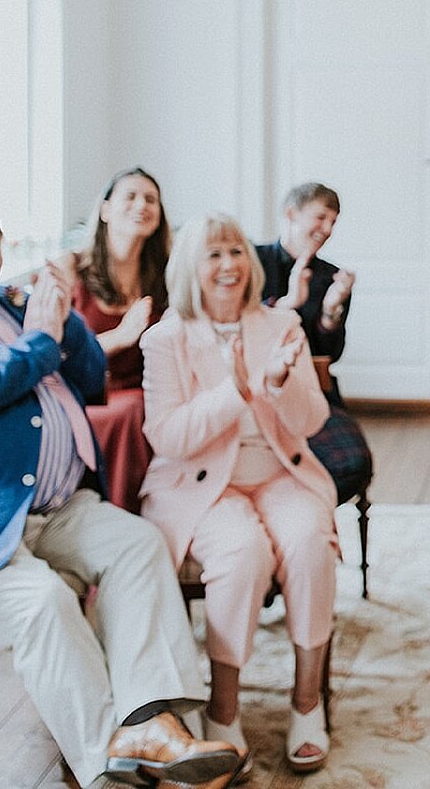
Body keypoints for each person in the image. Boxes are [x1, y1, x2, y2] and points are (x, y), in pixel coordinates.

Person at [0, 188, 242, 789]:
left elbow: (90, 379)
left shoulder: (16, 305)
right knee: (43, 602)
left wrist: (61, 318)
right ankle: (106, 765)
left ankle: (150, 721)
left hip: (52, 507)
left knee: (138, 543)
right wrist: (40, 339)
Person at [141, 212, 338, 775]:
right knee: (242, 554)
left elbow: (311, 420)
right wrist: (237, 390)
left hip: (279, 472)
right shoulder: (166, 338)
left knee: (308, 542)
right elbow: (170, 438)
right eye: (212, 255)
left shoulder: (280, 325)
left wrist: (276, 389)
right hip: (200, 486)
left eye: (234, 253)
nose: (228, 265)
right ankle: (223, 711)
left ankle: (307, 701)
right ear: (189, 269)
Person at [255, 183, 373, 506]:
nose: (327, 229)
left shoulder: (333, 277)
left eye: (333, 222)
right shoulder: (250, 262)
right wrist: (289, 303)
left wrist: (330, 310)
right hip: (253, 386)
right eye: (320, 217)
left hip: (311, 388)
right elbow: (241, 326)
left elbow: (331, 353)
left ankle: (300, 512)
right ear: (291, 214)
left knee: (353, 463)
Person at [68, 166, 171, 513]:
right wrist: (119, 337)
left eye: (151, 199)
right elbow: (49, 353)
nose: (141, 205)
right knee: (129, 411)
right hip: (86, 395)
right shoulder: (71, 270)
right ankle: (117, 513)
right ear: (105, 209)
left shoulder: (168, 276)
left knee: (145, 408)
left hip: (150, 394)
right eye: (130, 196)